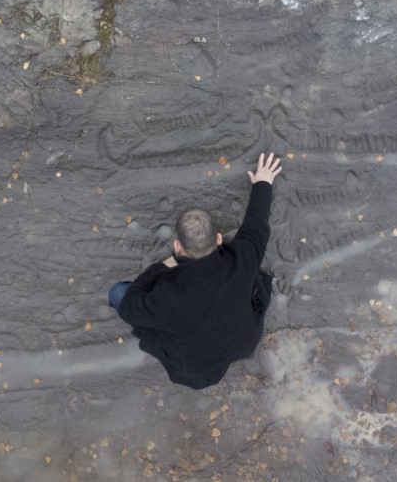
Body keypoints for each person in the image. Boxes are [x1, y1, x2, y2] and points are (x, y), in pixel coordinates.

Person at [108, 152, 283, 390]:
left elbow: (130, 307)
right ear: (219, 239)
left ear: (177, 246)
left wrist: (166, 264)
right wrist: (263, 182)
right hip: (244, 340)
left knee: (118, 293)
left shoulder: (167, 295)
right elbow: (257, 226)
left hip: (200, 365)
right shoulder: (242, 257)